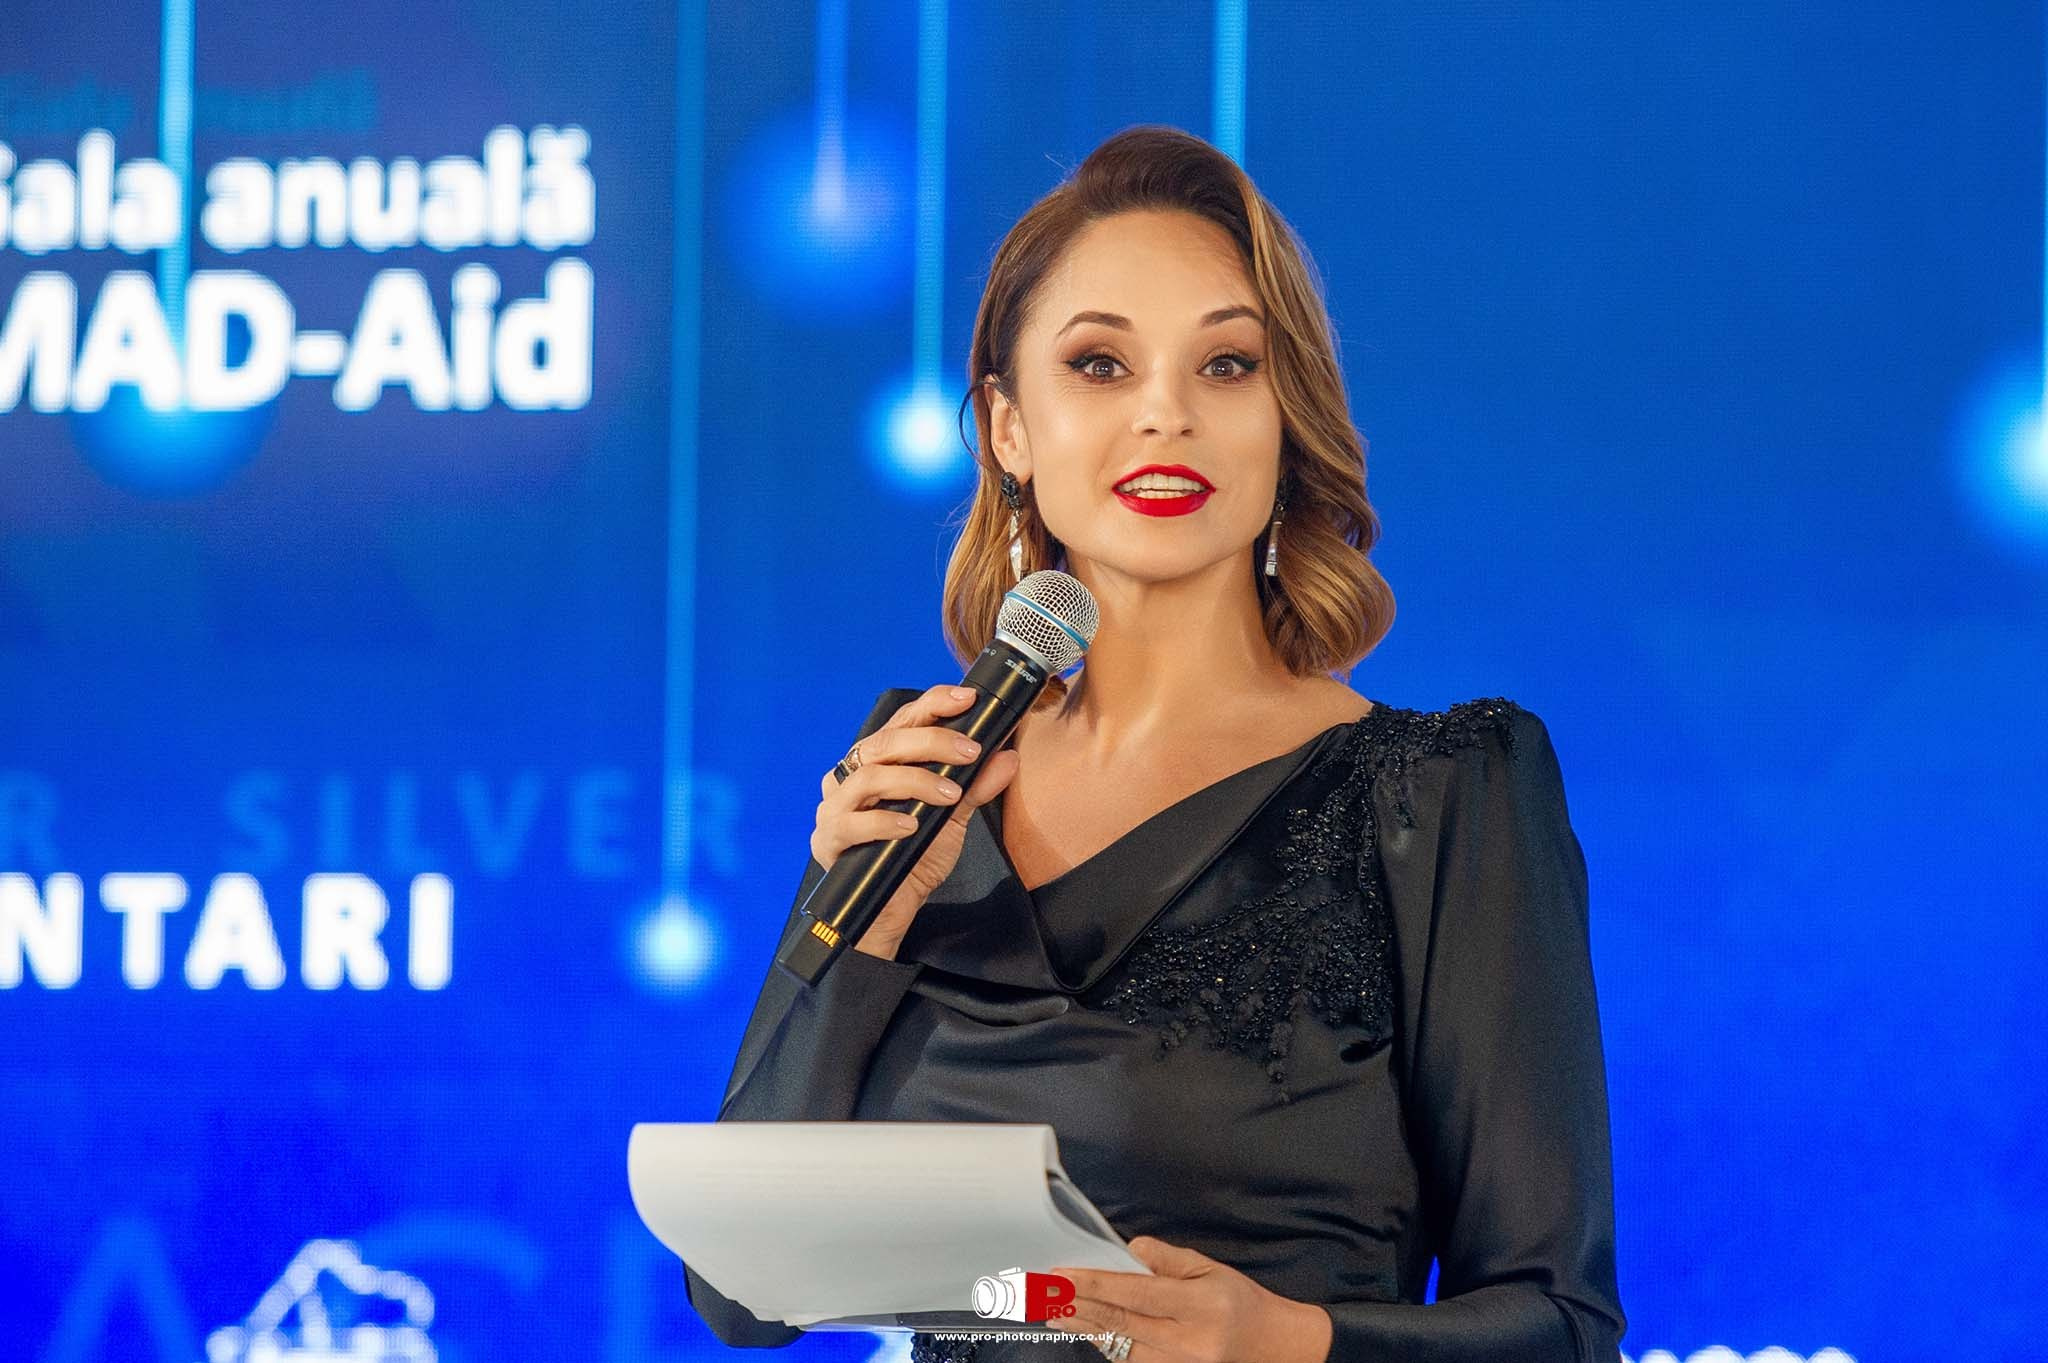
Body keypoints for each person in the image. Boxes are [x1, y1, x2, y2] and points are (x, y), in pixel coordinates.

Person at [681, 124, 1625, 1362]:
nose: (1165, 414)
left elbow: (1557, 1325)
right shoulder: (919, 767)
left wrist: (1287, 1340)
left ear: (1286, 420)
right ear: (1009, 431)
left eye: (1226, 365)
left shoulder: (1441, 790)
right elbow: (740, 1294)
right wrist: (854, 935)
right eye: (1099, 365)